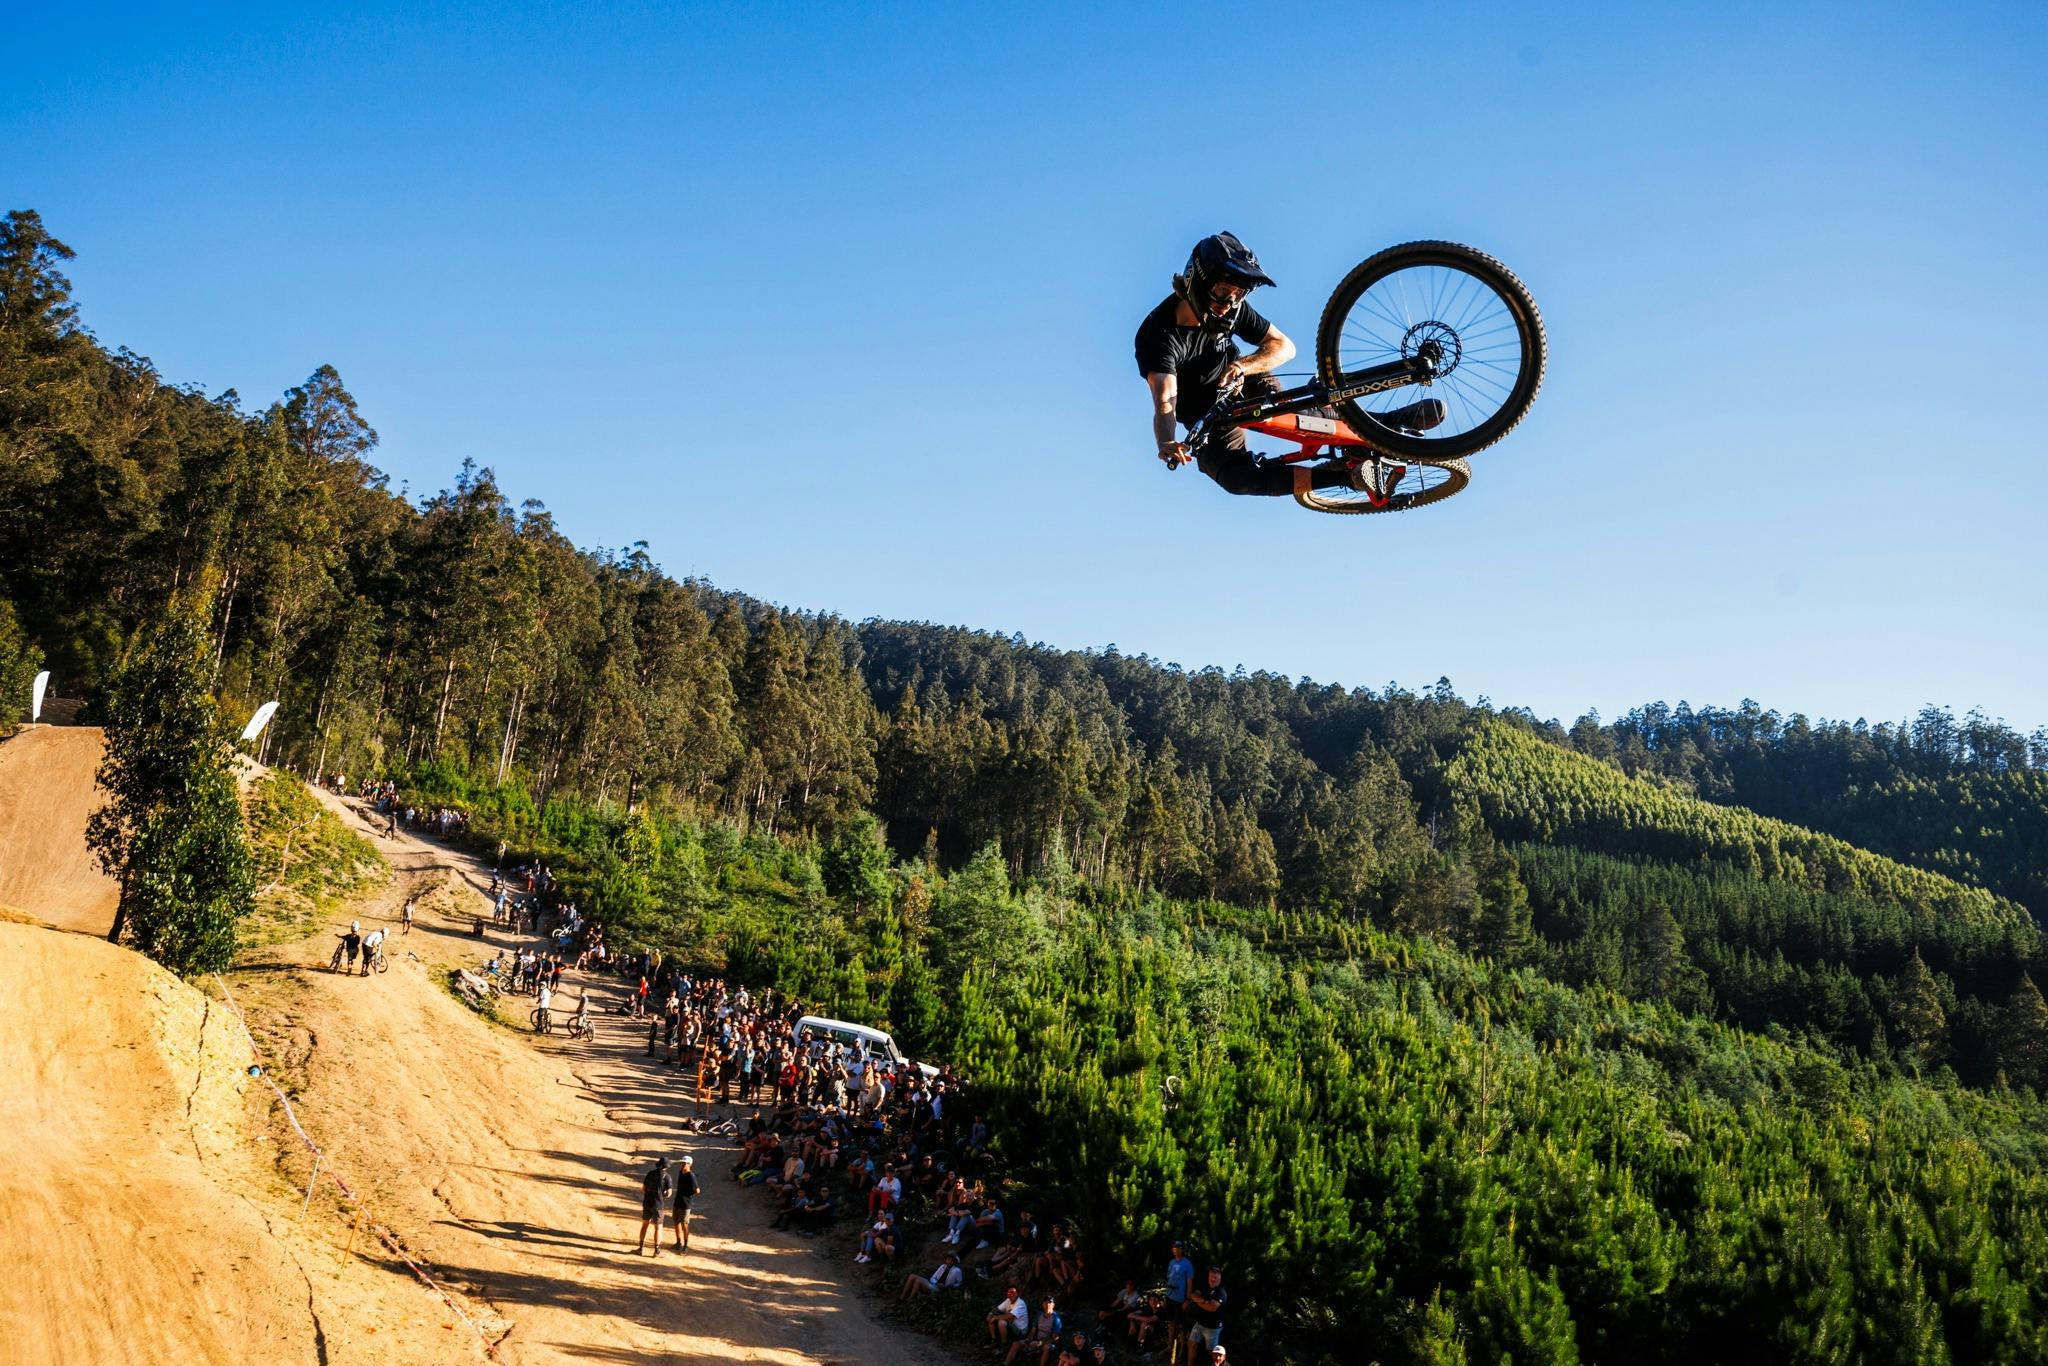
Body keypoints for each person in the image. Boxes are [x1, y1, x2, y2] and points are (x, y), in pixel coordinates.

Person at [1135, 231, 1442, 499]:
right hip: (1206, 417)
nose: (1230, 303)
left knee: (1297, 416)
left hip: (1242, 383)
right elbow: (1165, 400)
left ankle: (1387, 422)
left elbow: (1283, 346)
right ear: (1196, 284)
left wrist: (1243, 367)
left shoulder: (1232, 310)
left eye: (1238, 294)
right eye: (1223, 293)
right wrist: (1165, 441)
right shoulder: (1159, 337)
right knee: (1236, 479)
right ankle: (1347, 477)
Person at [1185, 1267, 1227, 1357]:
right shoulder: (1204, 1286)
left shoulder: (1221, 1292)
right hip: (1199, 1323)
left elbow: (1211, 1308)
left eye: (1215, 1277)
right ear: (1208, 1276)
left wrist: (1198, 1301)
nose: (1213, 1279)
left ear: (1220, 1278)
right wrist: (1204, 1301)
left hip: (1212, 1327)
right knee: (1191, 1344)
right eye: (1211, 1276)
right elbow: (1192, 1295)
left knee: (1212, 1352)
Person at [897, 1251, 963, 1303]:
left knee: (918, 1280)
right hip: (934, 1285)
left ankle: (909, 1300)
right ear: (946, 1260)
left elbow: (959, 1283)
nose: (949, 1262)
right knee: (912, 1276)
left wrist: (950, 1286)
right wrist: (936, 1283)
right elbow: (932, 1278)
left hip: (940, 1290)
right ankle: (903, 1298)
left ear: (954, 1262)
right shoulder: (943, 1266)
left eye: (952, 1260)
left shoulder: (957, 1271)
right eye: (948, 1259)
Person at [635, 1156, 670, 1254]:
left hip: (647, 1203)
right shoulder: (667, 1177)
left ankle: (641, 1248)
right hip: (658, 1205)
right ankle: (657, 1250)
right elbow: (669, 1193)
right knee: (658, 1228)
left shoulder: (650, 1174)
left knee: (644, 1225)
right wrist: (664, 1194)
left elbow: (643, 1188)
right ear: (666, 1167)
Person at [671, 1154, 700, 1252]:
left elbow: (697, 1190)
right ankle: (678, 1242)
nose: (683, 1165)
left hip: (685, 1204)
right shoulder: (681, 1172)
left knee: (684, 1224)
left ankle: (685, 1246)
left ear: (690, 1164)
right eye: (682, 1163)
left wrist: (688, 1195)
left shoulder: (691, 1176)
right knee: (676, 1222)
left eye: (685, 1163)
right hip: (677, 1201)